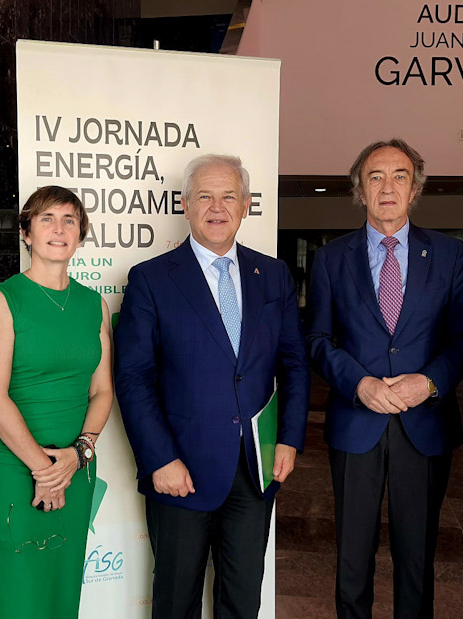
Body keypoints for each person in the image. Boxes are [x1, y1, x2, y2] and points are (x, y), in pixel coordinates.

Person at [115, 154, 309, 618]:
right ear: (185, 205)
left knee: (242, 602)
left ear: (245, 205)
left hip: (254, 472)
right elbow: (133, 377)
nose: (216, 207)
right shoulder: (151, 279)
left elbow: (295, 364)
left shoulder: (274, 275)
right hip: (180, 470)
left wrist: (289, 439)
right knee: (175, 602)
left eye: (228, 196)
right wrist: (160, 458)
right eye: (204, 196)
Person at [305, 138, 463, 619]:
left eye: (400, 175)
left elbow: (462, 338)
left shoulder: (448, 254)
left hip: (425, 425)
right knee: (352, 556)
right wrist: (360, 384)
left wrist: (429, 383)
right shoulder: (332, 258)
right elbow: (316, 337)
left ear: (415, 187)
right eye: (374, 176)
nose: (387, 186)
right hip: (357, 423)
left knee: (417, 556)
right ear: (359, 189)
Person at [0, 185, 113, 618]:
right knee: (13, 591)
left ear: (81, 234)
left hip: (75, 467)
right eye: (47, 219)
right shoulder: (2, 300)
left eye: (70, 220)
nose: (59, 228)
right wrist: (44, 468)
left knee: (60, 585)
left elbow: (103, 390)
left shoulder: (95, 305)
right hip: (14, 467)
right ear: (26, 233)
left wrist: (79, 452)